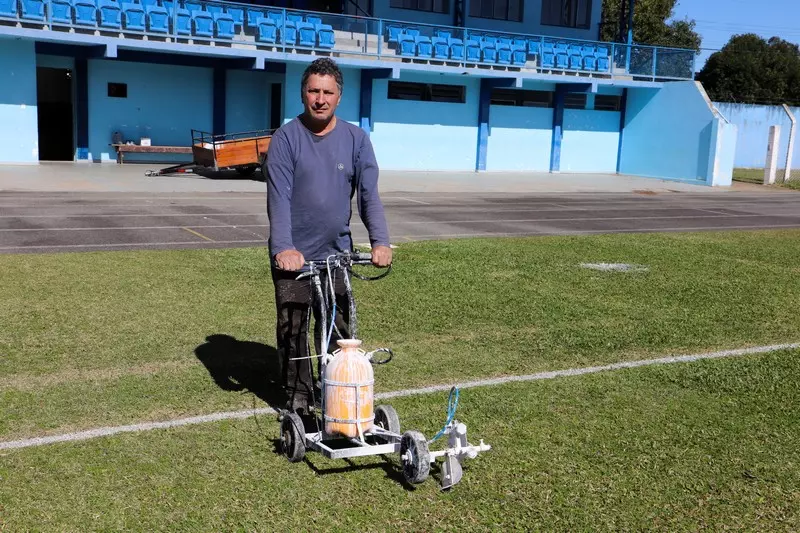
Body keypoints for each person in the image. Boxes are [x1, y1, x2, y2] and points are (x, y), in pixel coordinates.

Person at [266, 58, 392, 416]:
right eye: (313, 91)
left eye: (327, 92)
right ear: (303, 93)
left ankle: (337, 390)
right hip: (296, 256)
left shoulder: (356, 139)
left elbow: (369, 196)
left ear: (339, 97)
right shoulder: (286, 139)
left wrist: (380, 241)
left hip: (337, 254)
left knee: (339, 330)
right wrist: (284, 248)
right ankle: (299, 398)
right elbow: (278, 198)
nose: (320, 99)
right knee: (293, 329)